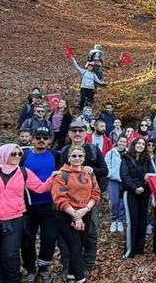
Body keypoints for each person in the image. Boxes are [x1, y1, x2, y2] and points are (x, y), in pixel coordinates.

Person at [0, 144, 53, 283]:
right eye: (13, 154)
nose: (17, 157)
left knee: (11, 254)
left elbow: (40, 188)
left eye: (19, 154)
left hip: (14, 219)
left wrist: (53, 177)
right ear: (3, 154)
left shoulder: (23, 172)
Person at [60, 120, 107, 273]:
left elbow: (105, 171)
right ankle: (69, 265)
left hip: (90, 200)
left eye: (81, 130)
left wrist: (91, 169)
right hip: (69, 199)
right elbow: (59, 172)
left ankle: (87, 264)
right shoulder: (64, 150)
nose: (77, 134)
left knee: (91, 232)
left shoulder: (93, 150)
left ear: (86, 132)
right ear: (69, 133)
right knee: (66, 233)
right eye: (74, 131)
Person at [51, 146, 99, 283]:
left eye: (80, 156)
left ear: (84, 158)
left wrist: (85, 210)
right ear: (68, 157)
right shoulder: (60, 175)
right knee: (75, 247)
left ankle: (71, 276)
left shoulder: (89, 173)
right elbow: (59, 198)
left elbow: (96, 193)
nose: (77, 158)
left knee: (80, 246)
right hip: (65, 216)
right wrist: (75, 215)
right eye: (74, 156)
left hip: (86, 213)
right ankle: (81, 279)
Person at [21, 127, 61, 283]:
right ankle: (30, 269)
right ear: (32, 139)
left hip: (49, 205)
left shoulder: (55, 155)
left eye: (45, 137)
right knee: (27, 239)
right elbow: (6, 163)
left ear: (50, 140)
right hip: (28, 205)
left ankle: (44, 269)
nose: (41, 140)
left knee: (49, 239)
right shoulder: (23, 155)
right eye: (38, 137)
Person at [121, 137, 154, 259]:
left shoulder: (147, 159)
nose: (140, 145)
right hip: (131, 193)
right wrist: (135, 188)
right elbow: (125, 176)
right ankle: (130, 251)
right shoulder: (126, 158)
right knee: (132, 221)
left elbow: (151, 174)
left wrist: (144, 187)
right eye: (138, 143)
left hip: (144, 193)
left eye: (143, 144)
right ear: (133, 144)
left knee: (142, 222)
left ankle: (140, 249)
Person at [107, 135, 127, 233]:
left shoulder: (128, 153)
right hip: (113, 180)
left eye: (124, 142)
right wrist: (111, 174)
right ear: (117, 141)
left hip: (124, 181)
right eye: (121, 141)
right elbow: (107, 165)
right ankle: (113, 219)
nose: (122, 143)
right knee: (114, 202)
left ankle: (120, 220)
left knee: (122, 202)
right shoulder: (111, 153)